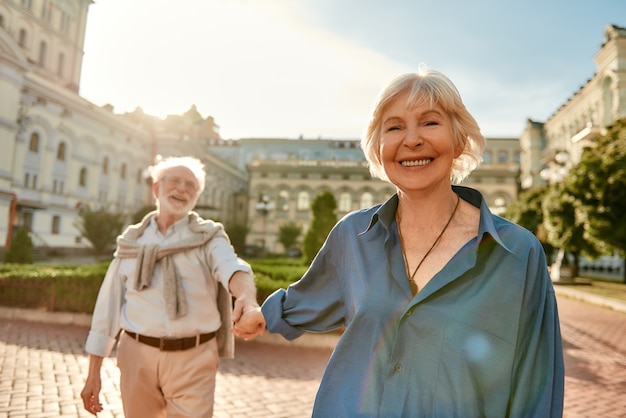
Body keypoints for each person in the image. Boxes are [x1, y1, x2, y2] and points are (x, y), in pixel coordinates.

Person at [236, 66, 564, 417]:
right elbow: (307, 299)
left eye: (430, 122)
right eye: (394, 127)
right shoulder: (353, 236)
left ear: (460, 140)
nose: (411, 140)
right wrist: (258, 313)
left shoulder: (517, 252)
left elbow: (536, 383)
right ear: (378, 148)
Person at [80, 156, 264, 417]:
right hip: (136, 356)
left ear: (197, 196)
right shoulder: (132, 241)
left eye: (190, 185)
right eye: (175, 181)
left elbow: (231, 265)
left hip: (195, 357)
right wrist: (93, 372)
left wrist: (247, 297)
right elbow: (107, 308)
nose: (182, 189)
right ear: (156, 188)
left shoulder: (209, 236)